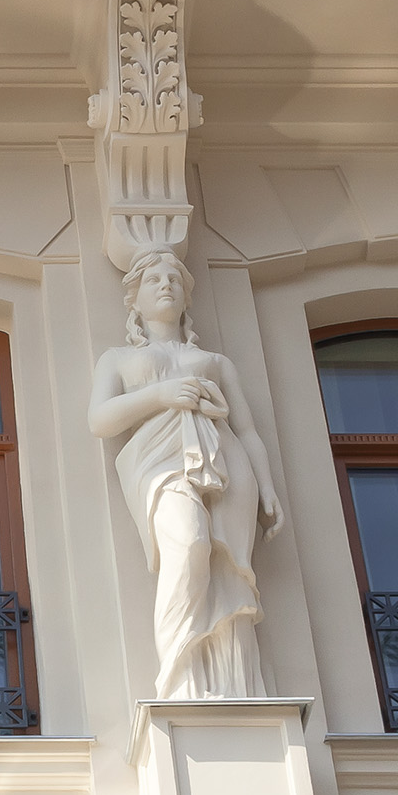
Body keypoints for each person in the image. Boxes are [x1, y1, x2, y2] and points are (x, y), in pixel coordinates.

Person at [86, 247, 281, 700]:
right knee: (189, 542)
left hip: (226, 466)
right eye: (154, 279)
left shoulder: (216, 363)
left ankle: (232, 686)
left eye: (174, 278)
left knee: (228, 567)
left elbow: (248, 431)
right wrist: (163, 395)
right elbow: (100, 420)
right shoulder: (116, 359)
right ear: (134, 298)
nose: (166, 284)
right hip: (159, 463)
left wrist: (268, 489)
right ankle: (178, 680)